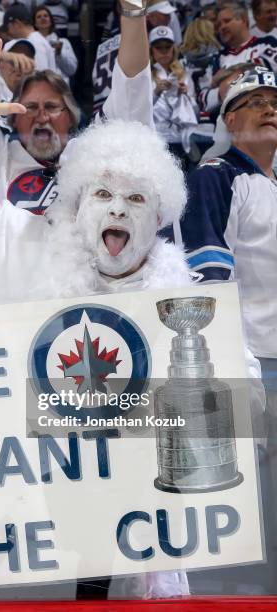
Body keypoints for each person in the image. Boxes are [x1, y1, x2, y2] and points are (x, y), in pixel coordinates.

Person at [0, 31, 191, 599]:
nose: (117, 210)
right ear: (75, 200)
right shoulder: (5, 239)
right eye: (102, 194)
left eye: (135, 200)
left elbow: (229, 387)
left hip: (103, 544)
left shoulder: (171, 293)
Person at [162, 65, 277, 595]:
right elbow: (208, 284)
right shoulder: (214, 177)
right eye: (254, 102)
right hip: (253, 362)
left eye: (273, 100)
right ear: (230, 119)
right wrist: (239, 371)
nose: (269, 108)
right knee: (246, 506)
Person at [0, 0, 154, 212]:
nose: (41, 117)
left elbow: (131, 93)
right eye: (29, 107)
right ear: (14, 119)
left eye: (51, 107)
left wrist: (133, 8)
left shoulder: (89, 153)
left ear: (70, 118)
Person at [199, 2, 277, 114]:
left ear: (244, 20)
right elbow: (202, 99)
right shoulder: (217, 59)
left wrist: (227, 77)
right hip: (228, 120)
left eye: (227, 21)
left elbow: (268, 74)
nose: (222, 27)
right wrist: (220, 93)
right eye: (219, 25)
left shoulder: (267, 44)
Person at [150, 25, 198, 166]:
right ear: (151, 50)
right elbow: (139, 110)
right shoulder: (145, 76)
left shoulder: (185, 74)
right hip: (156, 141)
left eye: (167, 47)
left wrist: (186, 97)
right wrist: (156, 93)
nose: (164, 51)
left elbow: (196, 113)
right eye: (159, 47)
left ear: (174, 49)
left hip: (181, 141)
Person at [3, 4, 57, 72]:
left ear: (16, 23)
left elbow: (40, 76)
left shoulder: (35, 42)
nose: (7, 32)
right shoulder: (36, 39)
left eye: (7, 28)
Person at [33, 5, 78, 84]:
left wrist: (59, 54)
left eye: (45, 16)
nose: (43, 18)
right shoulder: (31, 43)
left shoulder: (64, 42)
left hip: (61, 88)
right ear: (35, 24)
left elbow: (72, 70)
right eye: (39, 17)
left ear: (51, 21)